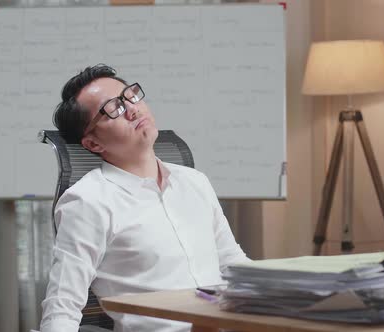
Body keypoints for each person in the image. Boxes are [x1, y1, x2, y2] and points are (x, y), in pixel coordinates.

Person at [39, 64, 249, 332]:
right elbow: (63, 305)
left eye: (130, 96)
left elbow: (233, 264)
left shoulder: (195, 182)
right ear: (93, 144)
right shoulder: (88, 201)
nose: (132, 109)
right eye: (113, 108)